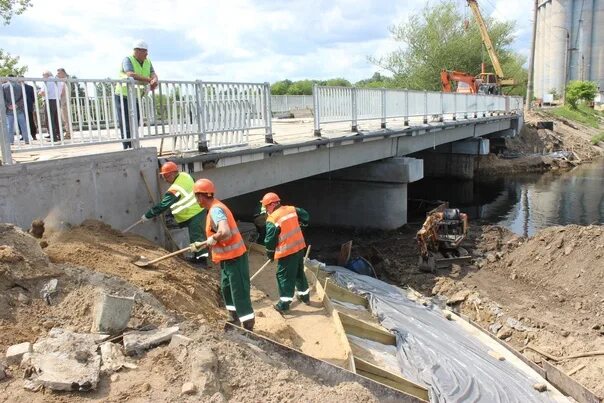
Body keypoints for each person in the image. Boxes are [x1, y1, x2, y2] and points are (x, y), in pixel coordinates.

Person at [191, 178, 255, 331]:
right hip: (227, 260)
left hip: (235, 258)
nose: (196, 200)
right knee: (227, 289)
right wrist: (205, 243)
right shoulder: (213, 208)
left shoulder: (215, 210)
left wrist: (213, 238)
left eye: (196, 196)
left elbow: (224, 232)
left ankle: (248, 327)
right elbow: (217, 235)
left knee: (239, 292)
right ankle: (233, 319)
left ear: (200, 196)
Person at [141, 161, 208, 266]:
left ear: (172, 174)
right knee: (194, 238)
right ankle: (196, 257)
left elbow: (163, 205)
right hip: (196, 211)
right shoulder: (185, 175)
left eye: (166, 176)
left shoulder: (175, 189)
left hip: (194, 213)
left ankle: (202, 261)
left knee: (197, 238)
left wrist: (148, 215)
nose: (165, 179)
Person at [261, 192, 310, 313]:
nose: (265, 209)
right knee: (299, 272)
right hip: (299, 247)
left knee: (284, 277)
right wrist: (303, 225)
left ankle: (284, 304)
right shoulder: (291, 209)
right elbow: (305, 215)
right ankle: (305, 296)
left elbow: (270, 240)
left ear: (272, 204)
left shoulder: (272, 219)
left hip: (287, 252)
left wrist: (270, 254)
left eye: (266, 206)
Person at [116, 40, 158, 149]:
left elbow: (153, 74)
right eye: (144, 51)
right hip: (123, 96)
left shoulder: (147, 61)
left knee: (136, 120)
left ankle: (134, 145)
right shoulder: (128, 60)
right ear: (137, 51)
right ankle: (127, 147)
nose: (146, 54)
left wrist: (154, 80)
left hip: (135, 96)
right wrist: (149, 80)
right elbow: (130, 74)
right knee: (125, 122)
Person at [2, 75, 29, 145]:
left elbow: (2, 98)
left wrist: (8, 105)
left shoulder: (3, 86)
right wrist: (17, 105)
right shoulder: (20, 86)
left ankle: (11, 141)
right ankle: (27, 140)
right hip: (19, 108)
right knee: (23, 125)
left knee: (10, 126)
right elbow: (23, 98)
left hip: (9, 109)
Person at [39, 70, 63, 142]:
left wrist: (39, 93)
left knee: (49, 119)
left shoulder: (47, 81)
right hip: (57, 100)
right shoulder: (58, 81)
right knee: (56, 119)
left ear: (46, 75)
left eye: (42, 75)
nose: (42, 77)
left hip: (49, 100)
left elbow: (43, 92)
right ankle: (59, 135)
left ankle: (53, 137)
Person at [56, 68, 71, 139]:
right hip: (63, 101)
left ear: (63, 73)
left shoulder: (65, 80)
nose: (57, 75)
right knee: (64, 118)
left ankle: (68, 133)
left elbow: (62, 92)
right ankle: (68, 132)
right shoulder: (64, 80)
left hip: (64, 101)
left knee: (65, 118)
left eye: (59, 73)